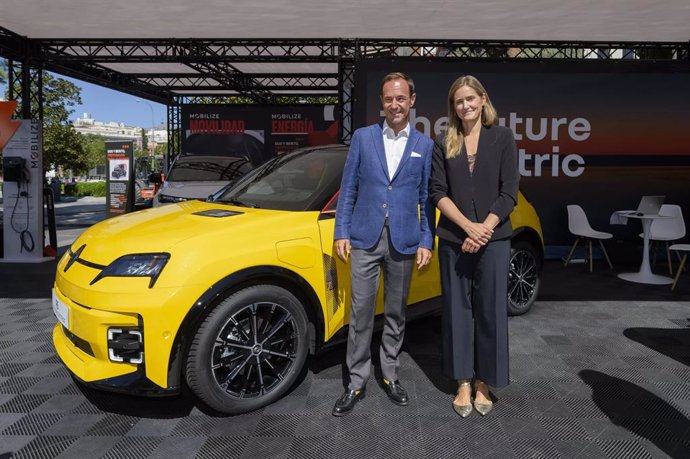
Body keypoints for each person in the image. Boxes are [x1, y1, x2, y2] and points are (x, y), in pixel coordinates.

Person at [332, 72, 435, 416]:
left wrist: (426, 240)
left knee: (395, 313)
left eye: (401, 98)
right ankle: (357, 381)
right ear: (382, 102)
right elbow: (348, 189)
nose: (395, 105)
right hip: (364, 238)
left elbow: (425, 198)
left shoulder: (425, 145)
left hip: (404, 242)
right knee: (360, 313)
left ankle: (389, 374)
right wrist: (341, 232)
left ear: (412, 100)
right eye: (389, 99)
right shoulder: (363, 138)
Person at [429, 75, 519, 417]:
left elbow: (509, 190)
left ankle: (485, 382)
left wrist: (484, 230)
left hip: (494, 239)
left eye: (469, 99)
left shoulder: (503, 137)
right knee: (456, 311)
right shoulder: (444, 141)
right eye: (458, 101)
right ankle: (463, 381)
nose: (464, 106)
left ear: (483, 99)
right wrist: (468, 227)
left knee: (491, 311)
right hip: (454, 239)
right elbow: (437, 192)